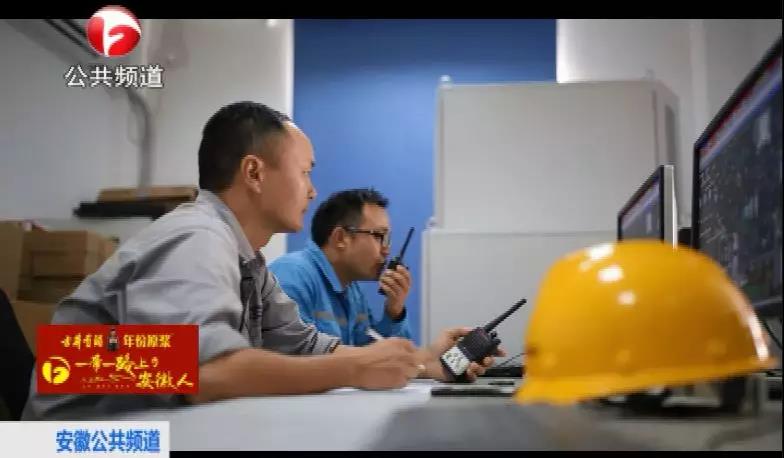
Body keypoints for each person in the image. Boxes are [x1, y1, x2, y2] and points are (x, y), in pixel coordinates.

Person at [22, 101, 495, 421]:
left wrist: (424, 362)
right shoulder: (196, 237)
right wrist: (355, 369)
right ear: (254, 173)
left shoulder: (247, 262)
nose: (312, 190)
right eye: (305, 173)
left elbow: (311, 347)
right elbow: (204, 375)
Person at [269, 188, 413, 346]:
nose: (386, 250)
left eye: (387, 239)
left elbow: (373, 352)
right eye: (379, 236)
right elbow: (295, 357)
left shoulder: (353, 291)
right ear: (340, 238)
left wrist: (394, 312)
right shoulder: (292, 276)